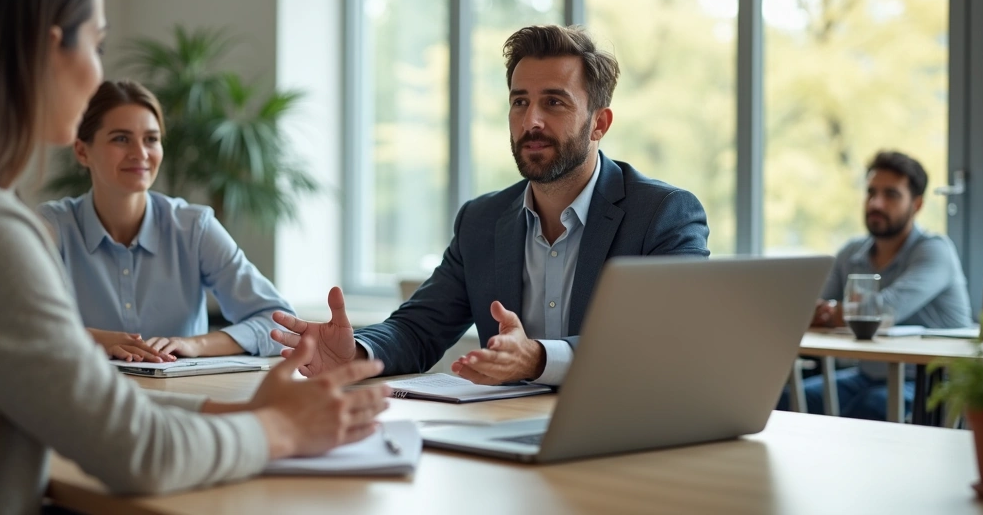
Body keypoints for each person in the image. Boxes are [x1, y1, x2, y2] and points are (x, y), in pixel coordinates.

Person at [0, 0, 388, 514]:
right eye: (95, 45)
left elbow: (80, 406)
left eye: (150, 139)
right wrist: (283, 430)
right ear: (48, 49)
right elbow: (134, 451)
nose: (98, 70)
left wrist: (236, 411)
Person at [271, 24, 710, 386]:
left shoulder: (663, 215)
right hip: (506, 436)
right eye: (520, 102)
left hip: (627, 442)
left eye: (553, 102)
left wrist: (539, 359)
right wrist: (357, 352)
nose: (531, 121)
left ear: (600, 123)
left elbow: (663, 342)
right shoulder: (482, 221)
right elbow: (418, 328)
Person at [38, 80, 293, 363]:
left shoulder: (194, 227)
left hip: (184, 399)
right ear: (82, 151)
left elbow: (279, 323)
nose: (141, 153)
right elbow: (12, 324)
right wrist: (96, 339)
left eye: (151, 139)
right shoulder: (49, 228)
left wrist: (195, 345)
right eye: (121, 138)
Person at [780, 150, 973, 420]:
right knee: (783, 397)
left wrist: (835, 312)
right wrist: (824, 311)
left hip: (932, 382)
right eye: (871, 192)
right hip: (868, 374)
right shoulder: (851, 252)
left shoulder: (935, 250)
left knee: (870, 409)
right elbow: (812, 310)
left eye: (891, 194)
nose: (876, 203)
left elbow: (883, 311)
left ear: (916, 204)